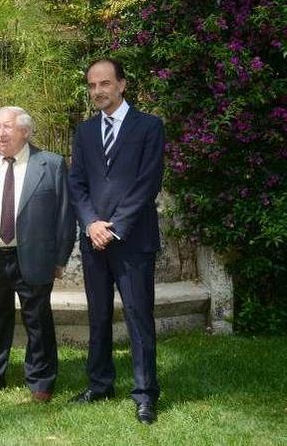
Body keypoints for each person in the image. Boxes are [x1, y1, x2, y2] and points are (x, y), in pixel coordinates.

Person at [67, 57, 165, 424]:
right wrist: (91, 223)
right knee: (99, 316)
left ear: (122, 85)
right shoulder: (85, 131)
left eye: (105, 84)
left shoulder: (149, 127)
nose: (98, 92)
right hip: (94, 240)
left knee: (139, 318)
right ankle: (100, 383)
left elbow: (148, 183)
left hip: (133, 239)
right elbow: (76, 182)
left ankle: (144, 394)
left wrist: (115, 225)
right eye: (92, 86)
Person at [0, 106, 74, 403]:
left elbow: (65, 215)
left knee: (38, 322)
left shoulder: (50, 164)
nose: (0, 132)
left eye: (6, 126)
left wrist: (60, 258)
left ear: (25, 131)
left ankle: (40, 382)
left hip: (33, 257)